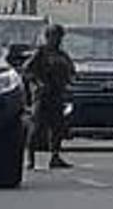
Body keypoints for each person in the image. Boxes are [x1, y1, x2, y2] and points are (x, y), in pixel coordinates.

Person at [23, 23, 76, 170]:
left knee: (57, 127)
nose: (57, 40)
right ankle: (30, 159)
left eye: (59, 37)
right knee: (36, 127)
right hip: (42, 95)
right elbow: (26, 70)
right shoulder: (40, 53)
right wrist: (38, 83)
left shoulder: (62, 55)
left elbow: (71, 71)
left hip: (57, 94)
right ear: (48, 37)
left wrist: (68, 81)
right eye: (54, 36)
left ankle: (55, 156)